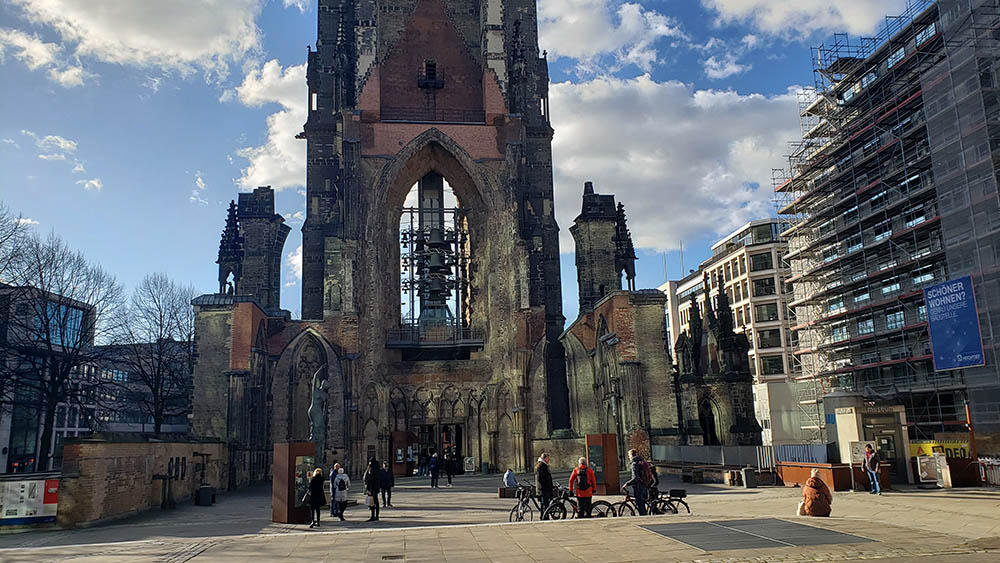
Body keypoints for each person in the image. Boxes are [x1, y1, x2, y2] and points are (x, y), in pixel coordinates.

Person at [622, 449, 653, 516]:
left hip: (639, 487)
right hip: (645, 485)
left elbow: (636, 478)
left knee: (640, 505)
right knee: (643, 504)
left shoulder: (634, 464)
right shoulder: (642, 461)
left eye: (629, 455)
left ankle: (644, 519)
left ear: (631, 455)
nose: (629, 457)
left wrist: (627, 484)